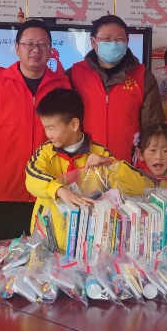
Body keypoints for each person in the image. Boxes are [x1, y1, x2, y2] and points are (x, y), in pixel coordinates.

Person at [0, 19, 71, 242]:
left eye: (42, 45)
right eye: (29, 44)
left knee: (47, 257)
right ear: (17, 48)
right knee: (1, 256)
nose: (36, 50)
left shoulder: (63, 85)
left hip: (50, 191)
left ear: (50, 50)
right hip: (3, 191)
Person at [23, 88, 116, 250]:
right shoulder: (45, 152)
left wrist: (111, 164)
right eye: (45, 128)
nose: (48, 134)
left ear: (74, 124)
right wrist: (59, 190)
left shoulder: (100, 154)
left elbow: (127, 186)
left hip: (88, 242)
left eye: (51, 128)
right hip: (47, 240)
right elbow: (32, 177)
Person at [67, 14, 164, 162]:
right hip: (84, 165)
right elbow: (63, 124)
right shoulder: (74, 74)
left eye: (119, 39)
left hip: (127, 167)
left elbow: (153, 128)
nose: (113, 44)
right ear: (93, 42)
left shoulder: (143, 76)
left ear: (127, 42)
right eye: (106, 39)